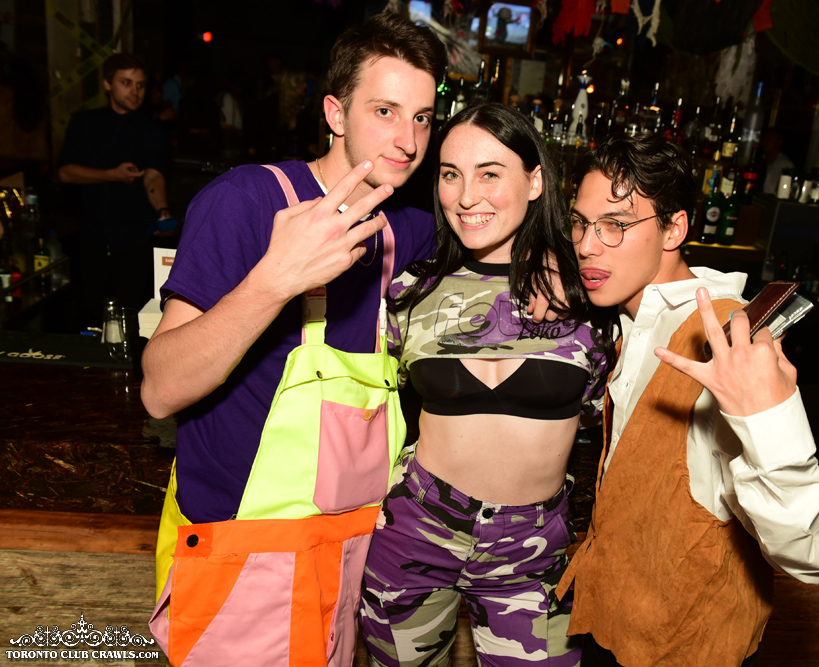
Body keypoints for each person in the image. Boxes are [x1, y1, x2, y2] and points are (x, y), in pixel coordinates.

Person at [140, 12, 447, 659]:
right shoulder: (247, 200)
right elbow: (160, 389)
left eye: (422, 117)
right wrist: (274, 280)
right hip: (238, 563)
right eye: (385, 111)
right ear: (335, 113)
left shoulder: (406, 230)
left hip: (345, 565)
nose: (408, 139)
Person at [556, 134, 819, 666]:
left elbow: (815, 553)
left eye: (615, 225)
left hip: (687, 645)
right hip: (619, 626)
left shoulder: (727, 339)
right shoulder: (639, 319)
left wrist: (765, 416)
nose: (587, 246)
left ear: (675, 229)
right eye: (580, 223)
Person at [360, 103, 614, 667]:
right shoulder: (410, 292)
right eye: (451, 174)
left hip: (531, 552)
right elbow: (361, 401)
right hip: (415, 533)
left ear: (535, 182)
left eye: (490, 173)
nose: (466, 196)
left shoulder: (589, 299)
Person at [57, 53, 174, 320]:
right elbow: (65, 173)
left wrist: (163, 212)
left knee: (131, 314)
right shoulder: (85, 123)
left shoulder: (151, 130)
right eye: (126, 83)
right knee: (91, 314)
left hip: (134, 239)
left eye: (140, 85)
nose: (135, 91)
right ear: (108, 84)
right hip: (90, 238)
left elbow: (153, 176)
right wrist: (112, 175)